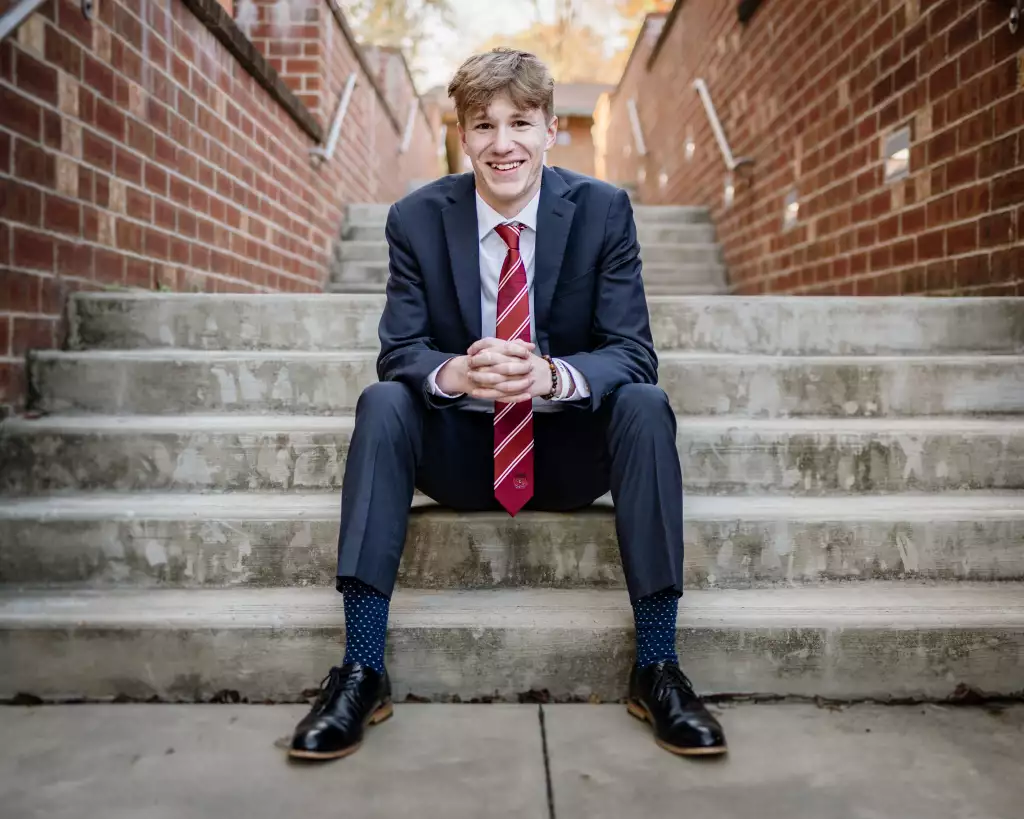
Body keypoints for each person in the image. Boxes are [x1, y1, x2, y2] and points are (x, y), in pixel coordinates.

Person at [288, 48, 727, 761]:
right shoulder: (416, 219)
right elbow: (400, 351)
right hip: (461, 451)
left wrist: (553, 377)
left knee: (646, 403)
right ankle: (362, 666)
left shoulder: (604, 211)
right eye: (483, 126)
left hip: (565, 453)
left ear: (552, 129)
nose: (502, 144)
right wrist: (457, 372)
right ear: (463, 136)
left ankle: (658, 665)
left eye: (520, 122)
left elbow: (632, 351)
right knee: (382, 403)